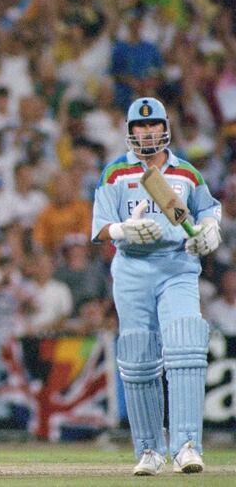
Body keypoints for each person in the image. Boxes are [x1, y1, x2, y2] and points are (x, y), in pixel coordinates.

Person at [91, 97, 222, 476]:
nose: (147, 132)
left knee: (185, 346)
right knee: (138, 358)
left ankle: (187, 446)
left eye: (153, 126)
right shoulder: (115, 173)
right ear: (130, 131)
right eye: (139, 127)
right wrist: (122, 229)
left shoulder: (187, 174)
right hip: (131, 269)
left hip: (177, 266)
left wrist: (208, 232)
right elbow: (99, 228)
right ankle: (149, 450)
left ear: (164, 128)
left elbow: (207, 211)